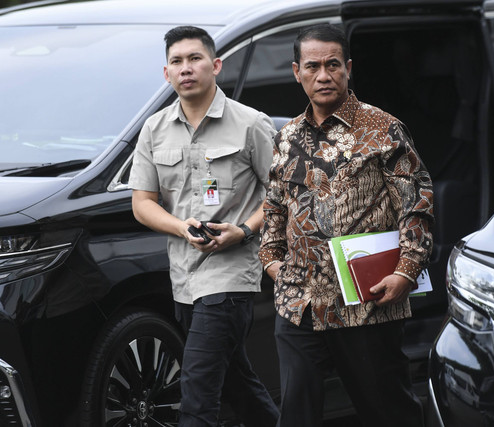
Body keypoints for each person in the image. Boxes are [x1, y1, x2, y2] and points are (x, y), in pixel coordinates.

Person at [258, 24, 434, 427]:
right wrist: (272, 262)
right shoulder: (286, 137)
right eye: (313, 66)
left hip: (367, 301)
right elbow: (274, 207)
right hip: (298, 301)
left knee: (386, 409)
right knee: (297, 411)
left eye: (333, 64)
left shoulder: (383, 129)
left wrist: (406, 271)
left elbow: (417, 204)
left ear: (348, 68)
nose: (324, 75)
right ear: (296, 72)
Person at [129, 25, 279, 427]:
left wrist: (244, 230)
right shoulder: (154, 128)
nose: (186, 68)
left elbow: (284, 196)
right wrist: (180, 227)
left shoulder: (251, 124)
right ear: (166, 74)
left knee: (196, 391)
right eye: (176, 62)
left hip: (230, 279)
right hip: (183, 277)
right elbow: (142, 203)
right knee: (237, 385)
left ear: (215, 66)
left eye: (195, 59)